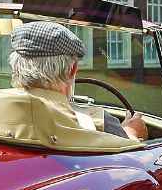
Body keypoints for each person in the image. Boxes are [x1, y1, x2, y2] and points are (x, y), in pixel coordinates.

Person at [9, 21, 149, 141]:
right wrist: (131, 134)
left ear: (15, 66)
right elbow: (126, 159)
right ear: (73, 69)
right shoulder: (96, 122)